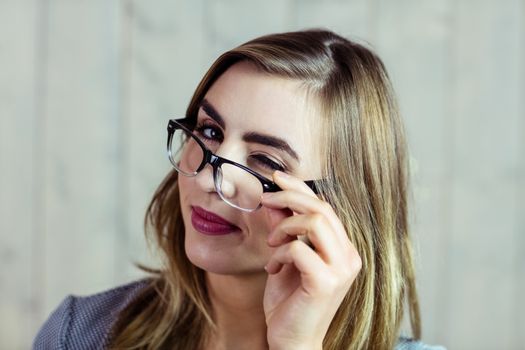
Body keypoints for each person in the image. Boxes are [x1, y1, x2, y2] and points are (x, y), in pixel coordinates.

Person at [33, 29, 444, 350]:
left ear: (337, 206)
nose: (210, 178)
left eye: (266, 161)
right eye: (209, 131)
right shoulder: (78, 335)